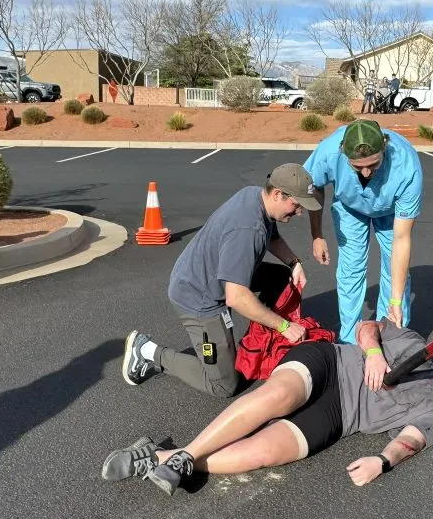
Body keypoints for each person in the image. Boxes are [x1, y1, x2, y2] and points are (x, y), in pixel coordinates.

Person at [102, 319, 433, 494]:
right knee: (277, 397)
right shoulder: (417, 345)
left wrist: (382, 462)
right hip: (329, 363)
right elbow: (367, 328)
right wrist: (373, 354)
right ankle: (186, 455)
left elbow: (411, 440)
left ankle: (157, 457)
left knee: (264, 453)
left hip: (342, 417)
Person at [122, 163, 321, 398]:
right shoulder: (248, 229)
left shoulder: (255, 197)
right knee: (225, 384)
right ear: (278, 194)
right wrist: (285, 326)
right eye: (296, 205)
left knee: (280, 278)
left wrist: (294, 262)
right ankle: (147, 351)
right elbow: (236, 297)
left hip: (214, 272)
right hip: (199, 296)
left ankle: (263, 337)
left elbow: (272, 236)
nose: (298, 212)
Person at [303, 119, 423, 344]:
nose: (367, 173)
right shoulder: (329, 151)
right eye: (357, 167)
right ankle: (351, 338)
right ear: (342, 153)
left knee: (394, 269)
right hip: (350, 208)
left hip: (390, 210)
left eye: (374, 165)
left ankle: (390, 334)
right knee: (351, 268)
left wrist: (395, 301)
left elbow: (402, 239)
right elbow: (313, 187)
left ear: (384, 149)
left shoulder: (407, 166)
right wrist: (317, 235)